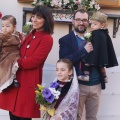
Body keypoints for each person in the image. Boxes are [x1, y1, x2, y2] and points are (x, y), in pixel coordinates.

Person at [0, 5, 54, 120]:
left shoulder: (47, 38)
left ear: (46, 20)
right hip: (16, 82)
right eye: (33, 16)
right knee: (13, 115)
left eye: (39, 17)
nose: (34, 19)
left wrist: (14, 62)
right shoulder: (30, 34)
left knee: (24, 116)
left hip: (28, 83)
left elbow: (34, 61)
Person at [59, 9, 106, 120]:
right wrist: (83, 51)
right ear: (73, 21)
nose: (81, 22)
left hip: (96, 84)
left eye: (84, 20)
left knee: (92, 117)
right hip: (77, 85)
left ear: (88, 21)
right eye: (78, 19)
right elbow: (64, 61)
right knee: (76, 117)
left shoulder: (96, 36)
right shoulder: (65, 40)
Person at [81, 11, 118, 83]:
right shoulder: (104, 33)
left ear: (102, 25)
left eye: (95, 24)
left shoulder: (96, 33)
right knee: (101, 66)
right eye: (91, 24)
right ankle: (104, 77)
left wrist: (88, 38)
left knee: (86, 62)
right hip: (101, 54)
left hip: (93, 53)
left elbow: (93, 43)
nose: (92, 26)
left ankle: (86, 76)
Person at [0, 15, 21, 92]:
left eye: (7, 26)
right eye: (2, 26)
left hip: (15, 53)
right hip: (5, 54)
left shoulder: (16, 34)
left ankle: (13, 78)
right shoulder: (1, 36)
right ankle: (6, 82)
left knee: (16, 62)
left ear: (14, 27)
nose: (4, 28)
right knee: (5, 66)